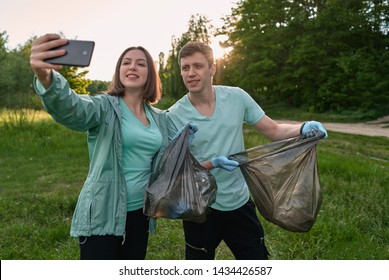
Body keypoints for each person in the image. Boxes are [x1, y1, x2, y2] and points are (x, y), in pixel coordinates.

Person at [167, 41, 328, 260]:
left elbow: (274, 130)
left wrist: (302, 127)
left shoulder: (236, 97)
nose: (191, 73)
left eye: (198, 66)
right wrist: (212, 163)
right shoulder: (175, 115)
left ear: (212, 68)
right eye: (185, 68)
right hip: (199, 207)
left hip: (239, 202)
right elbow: (176, 171)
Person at [29, 33, 175, 260]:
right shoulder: (104, 107)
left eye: (140, 63)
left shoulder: (159, 118)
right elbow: (72, 107)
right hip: (103, 210)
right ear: (118, 71)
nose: (132, 67)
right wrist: (46, 76)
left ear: (150, 74)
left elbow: (171, 160)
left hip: (141, 214)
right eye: (126, 62)